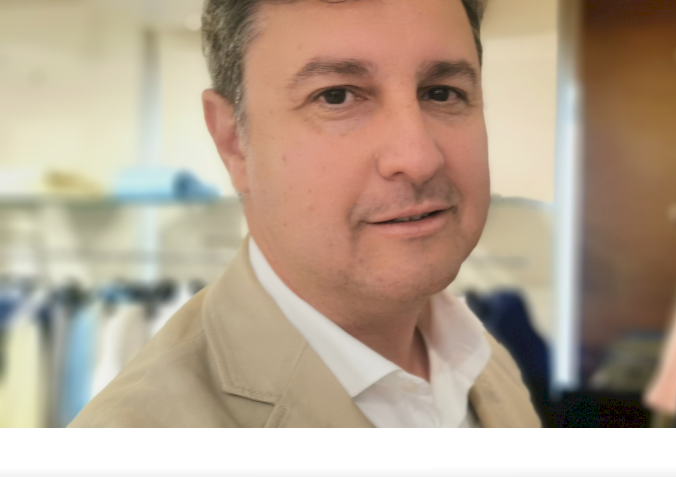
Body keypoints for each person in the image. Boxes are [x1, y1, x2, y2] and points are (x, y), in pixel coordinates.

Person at [71, 0, 541, 428]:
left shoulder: (481, 359)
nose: (419, 158)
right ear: (233, 141)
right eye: (336, 96)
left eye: (441, 93)